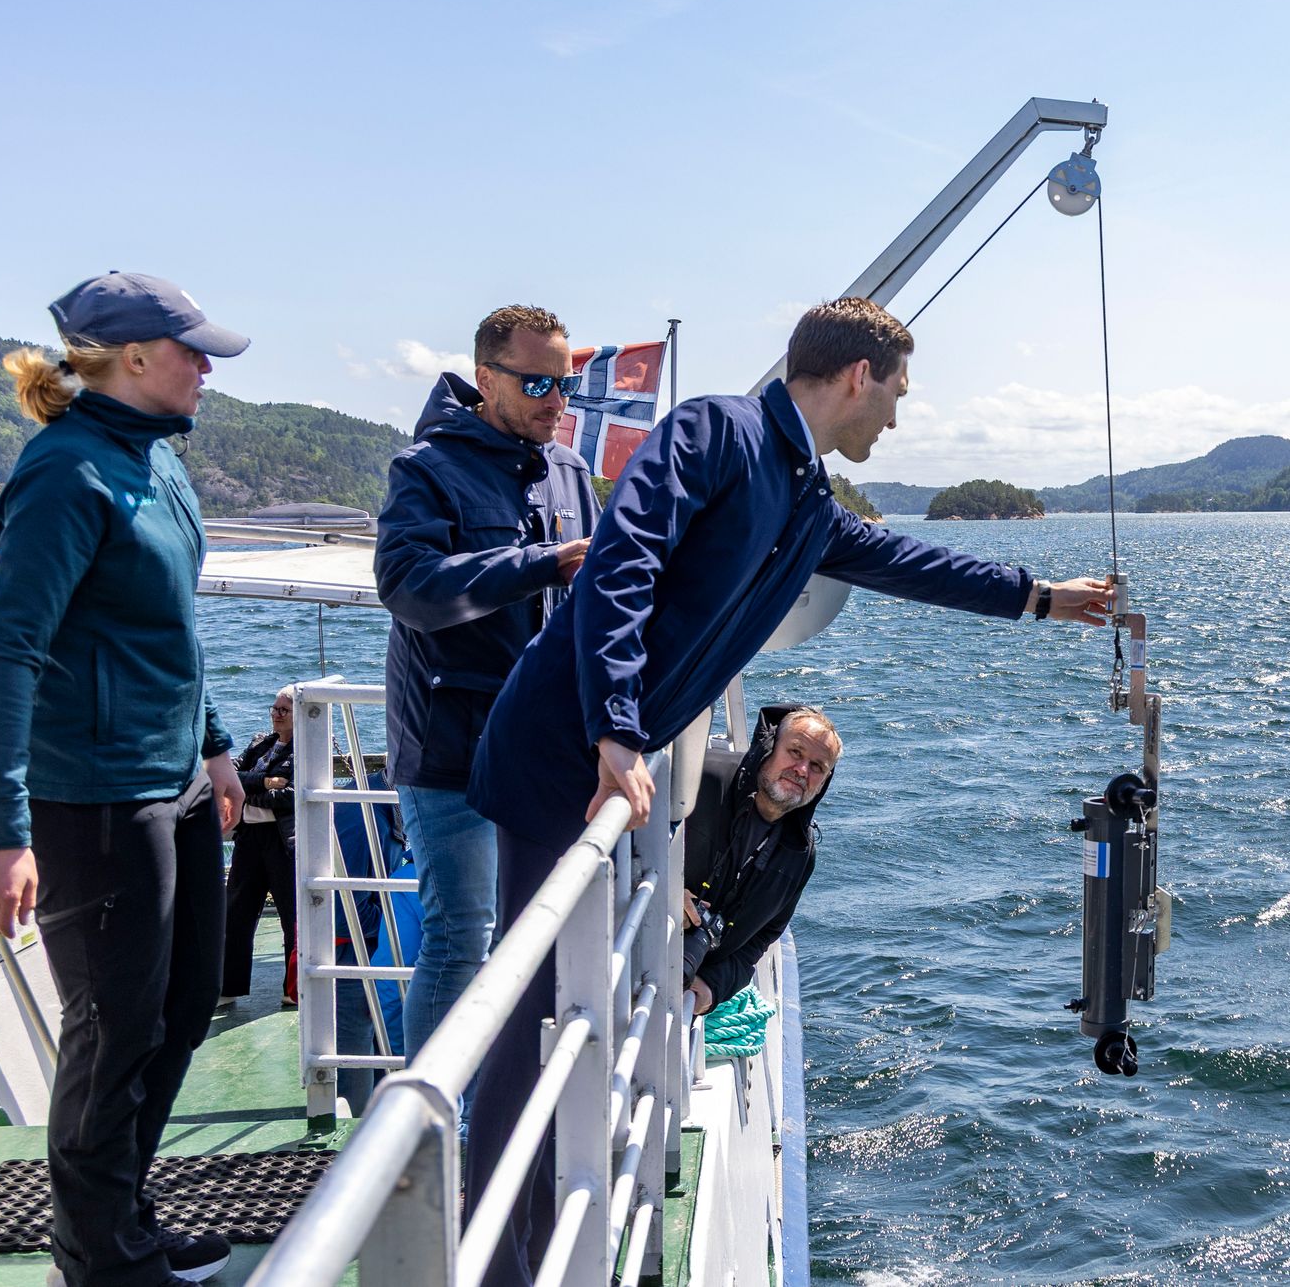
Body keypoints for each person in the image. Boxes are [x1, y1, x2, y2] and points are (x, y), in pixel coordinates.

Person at [462, 296, 1112, 1286]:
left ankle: (546, 1219)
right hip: (567, 749)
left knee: (570, 1002)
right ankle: (496, 1255)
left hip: (610, 765)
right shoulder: (715, 434)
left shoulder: (805, 500)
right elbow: (621, 568)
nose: (894, 417)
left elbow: (906, 561)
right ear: (859, 374)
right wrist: (616, 727)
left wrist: (1037, 597)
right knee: (529, 1015)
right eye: (895, 393)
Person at [0, 271, 250, 1287]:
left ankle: (125, 1215)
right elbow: (9, 651)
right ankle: (97, 1260)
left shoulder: (155, 466)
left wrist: (214, 743)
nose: (207, 369)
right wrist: (2, 829)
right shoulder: (66, 474)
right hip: (94, 799)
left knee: (177, 1015)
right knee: (113, 1028)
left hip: (172, 783)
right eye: (192, 351)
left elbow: (166, 630)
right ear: (132, 358)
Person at [373, 304, 600, 1061]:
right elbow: (409, 587)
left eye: (565, 384)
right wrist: (540, 562)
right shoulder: (427, 469)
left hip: (544, 749)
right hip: (452, 753)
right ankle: (434, 1137)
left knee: (542, 932)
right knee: (459, 936)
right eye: (536, 382)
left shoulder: (568, 471)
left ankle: (514, 1108)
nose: (555, 401)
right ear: (484, 379)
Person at [681, 705, 841, 1014]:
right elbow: (621, 842)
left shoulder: (800, 854)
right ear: (768, 747)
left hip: (682, 994)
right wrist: (666, 893)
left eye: (817, 766)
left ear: (823, 783)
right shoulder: (701, 778)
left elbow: (759, 941)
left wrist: (713, 987)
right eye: (795, 752)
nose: (802, 770)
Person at [220, 686, 297, 1009]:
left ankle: (293, 988)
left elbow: (287, 796)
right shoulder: (259, 744)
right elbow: (231, 777)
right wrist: (263, 782)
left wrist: (245, 790)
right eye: (274, 708)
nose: (276, 714)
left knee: (291, 914)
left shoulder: (305, 750)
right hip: (249, 838)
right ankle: (228, 986)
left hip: (281, 843)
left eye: (284, 710)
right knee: (236, 912)